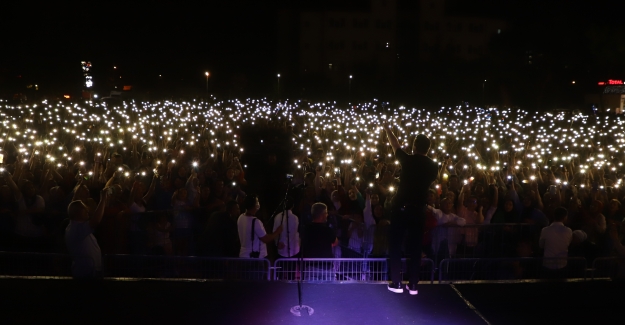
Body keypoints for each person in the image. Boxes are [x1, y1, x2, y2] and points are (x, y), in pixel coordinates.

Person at [383, 124, 438, 295]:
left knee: (395, 244)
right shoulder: (433, 166)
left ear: (414, 146)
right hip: (419, 210)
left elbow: (395, 146)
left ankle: (397, 283)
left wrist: (387, 129)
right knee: (415, 247)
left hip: (402, 208)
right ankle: (413, 285)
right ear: (428, 148)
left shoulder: (407, 160)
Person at [65, 188, 109, 279]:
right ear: (78, 213)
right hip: (86, 272)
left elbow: (74, 204)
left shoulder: (76, 225)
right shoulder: (77, 228)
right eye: (84, 210)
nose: (87, 212)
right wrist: (103, 199)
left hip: (89, 270)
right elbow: (96, 221)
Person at [301, 203, 339, 281]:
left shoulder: (306, 229)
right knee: (328, 291)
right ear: (321, 215)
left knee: (311, 291)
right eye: (326, 213)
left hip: (311, 266)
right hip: (326, 266)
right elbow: (335, 242)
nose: (327, 215)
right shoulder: (328, 230)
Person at [539, 207, 573, 279]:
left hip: (548, 264)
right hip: (562, 264)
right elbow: (568, 244)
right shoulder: (569, 231)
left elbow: (541, 245)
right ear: (565, 217)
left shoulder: (545, 230)